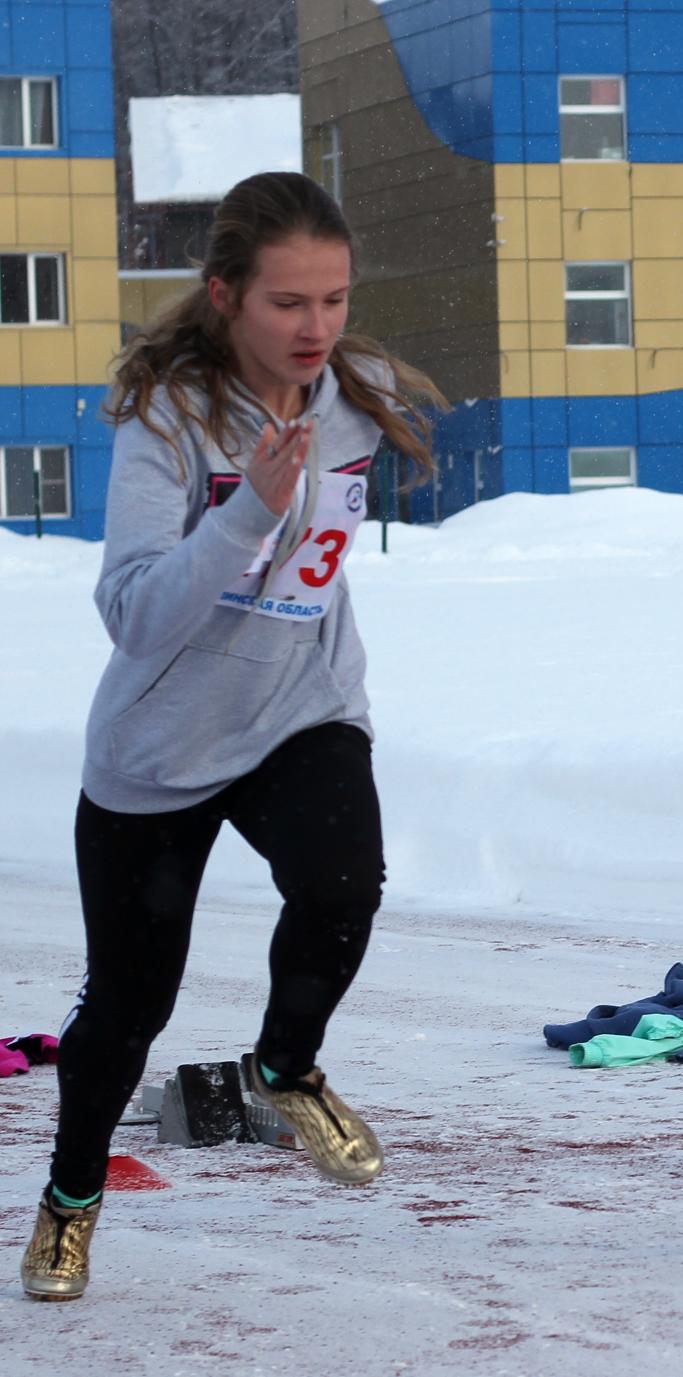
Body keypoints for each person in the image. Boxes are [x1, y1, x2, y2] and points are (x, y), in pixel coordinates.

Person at [18, 172, 444, 1300]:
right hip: (161, 747)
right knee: (127, 1010)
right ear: (224, 297)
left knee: (345, 885)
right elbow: (134, 615)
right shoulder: (170, 422)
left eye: (336, 300)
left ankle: (285, 1065)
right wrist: (247, 509)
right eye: (288, 304)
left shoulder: (355, 396)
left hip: (301, 710)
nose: (316, 328)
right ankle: (68, 1202)